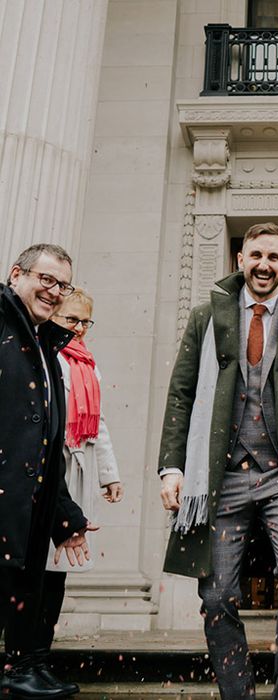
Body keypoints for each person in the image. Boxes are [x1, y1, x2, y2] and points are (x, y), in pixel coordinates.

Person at [158, 222, 278, 700]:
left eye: (274, 257)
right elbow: (181, 394)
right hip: (221, 475)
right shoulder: (205, 318)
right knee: (215, 594)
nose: (264, 265)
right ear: (240, 258)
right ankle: (238, 693)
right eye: (256, 255)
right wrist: (171, 467)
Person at [0, 244, 95, 699]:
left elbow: (47, 443)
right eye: (47, 279)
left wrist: (65, 515)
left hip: (30, 500)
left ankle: (23, 669)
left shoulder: (46, 343)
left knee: (26, 587)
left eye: (63, 285)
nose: (55, 292)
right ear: (17, 274)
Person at [31, 289, 124, 692]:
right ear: (53, 317)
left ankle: (37, 658)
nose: (80, 329)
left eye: (86, 322)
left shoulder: (89, 365)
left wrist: (110, 475)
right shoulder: (44, 357)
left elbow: (97, 422)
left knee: (57, 573)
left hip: (77, 473)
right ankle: (25, 659)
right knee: (33, 572)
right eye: (72, 320)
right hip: (46, 474)